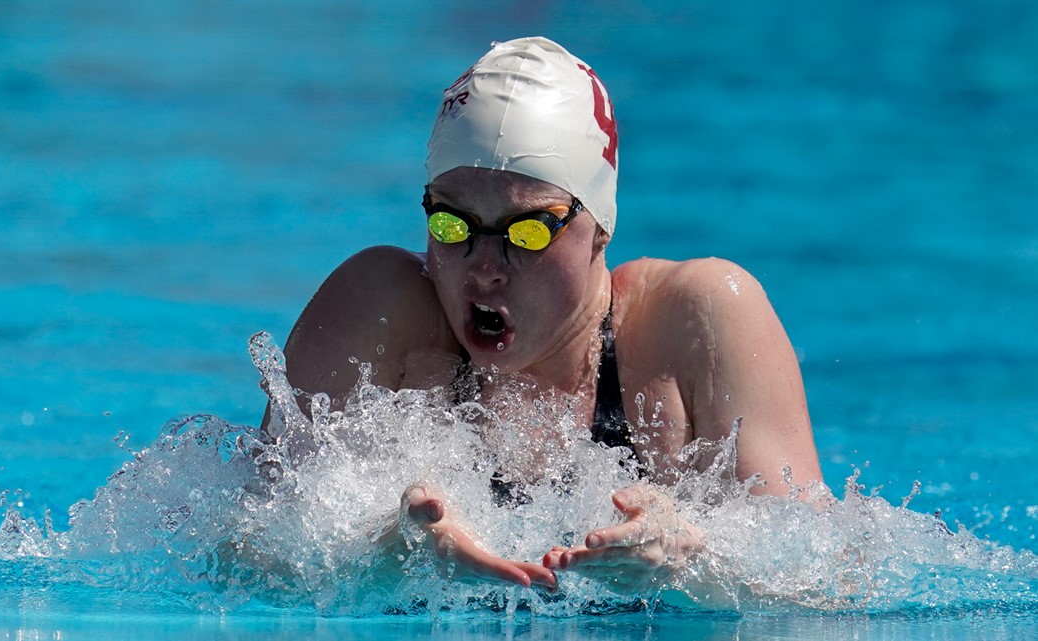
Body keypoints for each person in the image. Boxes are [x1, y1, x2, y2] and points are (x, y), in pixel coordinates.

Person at [269, 37, 822, 593]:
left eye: (528, 230)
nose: (484, 267)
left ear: (600, 225)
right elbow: (243, 557)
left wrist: (693, 557)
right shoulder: (377, 311)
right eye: (452, 224)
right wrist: (388, 551)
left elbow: (828, 578)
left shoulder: (696, 320)